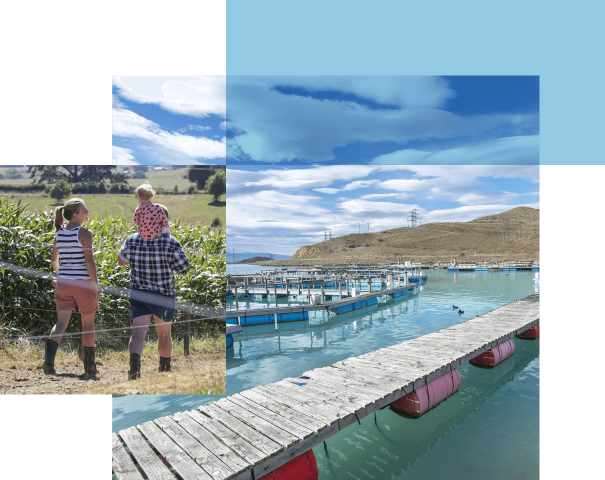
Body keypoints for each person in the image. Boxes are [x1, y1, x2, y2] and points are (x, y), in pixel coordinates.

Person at [118, 205, 189, 380]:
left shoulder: (132, 240)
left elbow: (121, 261)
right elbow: (184, 268)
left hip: (139, 293)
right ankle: (164, 371)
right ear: (163, 220)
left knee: (137, 334)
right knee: (164, 334)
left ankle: (134, 371)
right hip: (163, 295)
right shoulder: (171, 242)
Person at [44, 198, 100, 377]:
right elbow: (89, 263)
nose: (87, 213)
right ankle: (90, 368)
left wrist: (63, 276)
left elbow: (54, 261)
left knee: (60, 323)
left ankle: (48, 363)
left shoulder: (58, 234)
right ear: (75, 214)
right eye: (85, 210)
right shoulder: (84, 234)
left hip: (63, 285)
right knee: (88, 324)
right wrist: (95, 285)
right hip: (83, 284)